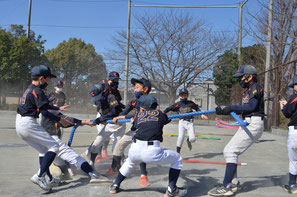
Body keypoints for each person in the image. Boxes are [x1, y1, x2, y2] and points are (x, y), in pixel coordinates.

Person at [109, 95, 187, 197]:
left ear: (142, 108)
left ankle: (115, 185)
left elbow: (134, 127)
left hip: (134, 149)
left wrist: (133, 121)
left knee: (129, 163)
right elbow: (165, 120)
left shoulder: (138, 116)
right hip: (152, 151)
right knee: (177, 158)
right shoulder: (160, 113)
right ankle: (172, 189)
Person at [208, 65, 264, 196]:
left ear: (249, 76)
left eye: (241, 77)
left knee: (230, 151)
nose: (240, 80)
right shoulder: (247, 90)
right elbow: (242, 108)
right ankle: (233, 183)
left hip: (254, 122)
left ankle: (227, 186)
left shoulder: (255, 87)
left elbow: (251, 107)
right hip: (248, 123)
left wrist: (231, 108)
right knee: (229, 150)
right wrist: (225, 110)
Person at [15, 65, 72, 192]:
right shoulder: (38, 91)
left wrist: (58, 109)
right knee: (54, 147)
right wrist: (60, 119)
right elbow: (44, 112)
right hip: (28, 123)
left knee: (43, 149)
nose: (48, 82)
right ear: (41, 78)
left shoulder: (30, 89)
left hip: (20, 123)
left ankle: (48, 177)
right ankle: (39, 176)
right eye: (47, 79)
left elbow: (43, 105)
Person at [37, 96, 110, 184]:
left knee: (59, 164)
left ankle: (51, 177)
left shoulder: (43, 113)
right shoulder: (52, 111)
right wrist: (84, 122)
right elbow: (68, 120)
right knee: (77, 159)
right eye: (52, 102)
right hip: (53, 141)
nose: (54, 103)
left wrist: (83, 123)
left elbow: (64, 124)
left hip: (44, 143)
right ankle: (94, 175)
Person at [107, 77, 151, 188]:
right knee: (119, 145)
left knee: (140, 153)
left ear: (145, 89)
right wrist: (112, 117)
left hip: (145, 131)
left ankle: (143, 175)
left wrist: (129, 117)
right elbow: (123, 113)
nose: (134, 90)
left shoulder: (150, 100)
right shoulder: (133, 102)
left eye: (137, 87)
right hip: (134, 129)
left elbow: (142, 114)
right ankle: (114, 168)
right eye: (134, 87)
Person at [86, 72, 126, 167]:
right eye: (113, 80)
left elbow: (114, 112)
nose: (97, 99)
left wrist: (101, 119)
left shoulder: (111, 96)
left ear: (103, 93)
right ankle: (91, 164)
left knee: (117, 147)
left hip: (117, 124)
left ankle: (117, 168)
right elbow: (102, 110)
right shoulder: (101, 94)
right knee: (97, 142)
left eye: (117, 80)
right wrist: (100, 119)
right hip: (107, 122)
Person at [164, 88, 208, 153]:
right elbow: (169, 108)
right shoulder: (177, 104)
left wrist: (201, 114)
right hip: (182, 122)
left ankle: (188, 140)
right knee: (180, 137)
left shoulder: (191, 103)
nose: (183, 97)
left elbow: (197, 109)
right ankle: (177, 153)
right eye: (182, 95)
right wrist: (162, 113)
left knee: (193, 139)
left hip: (190, 122)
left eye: (185, 95)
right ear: (179, 96)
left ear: (187, 95)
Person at [280, 74, 297, 194]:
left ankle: (292, 185)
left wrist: (283, 107)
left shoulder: (294, 97)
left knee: (294, 160)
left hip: (295, 131)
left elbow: (287, 113)